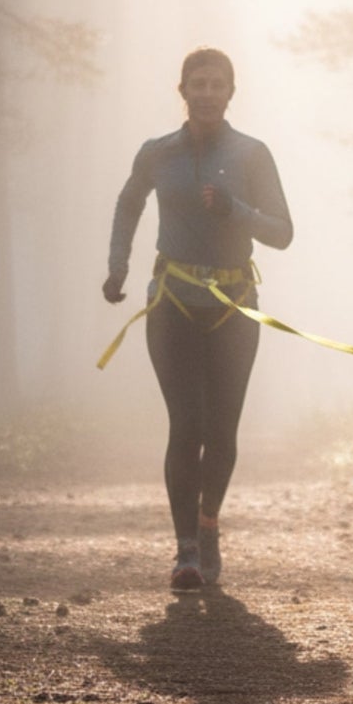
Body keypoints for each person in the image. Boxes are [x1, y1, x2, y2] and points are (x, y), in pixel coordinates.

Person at [103, 47, 293, 591]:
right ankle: (187, 549)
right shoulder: (157, 153)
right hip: (174, 304)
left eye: (218, 85)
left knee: (223, 432)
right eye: (198, 84)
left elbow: (283, 231)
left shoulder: (253, 154)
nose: (207, 93)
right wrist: (118, 266)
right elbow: (127, 203)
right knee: (186, 426)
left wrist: (236, 209)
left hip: (234, 307)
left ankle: (208, 524)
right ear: (182, 91)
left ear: (231, 93)